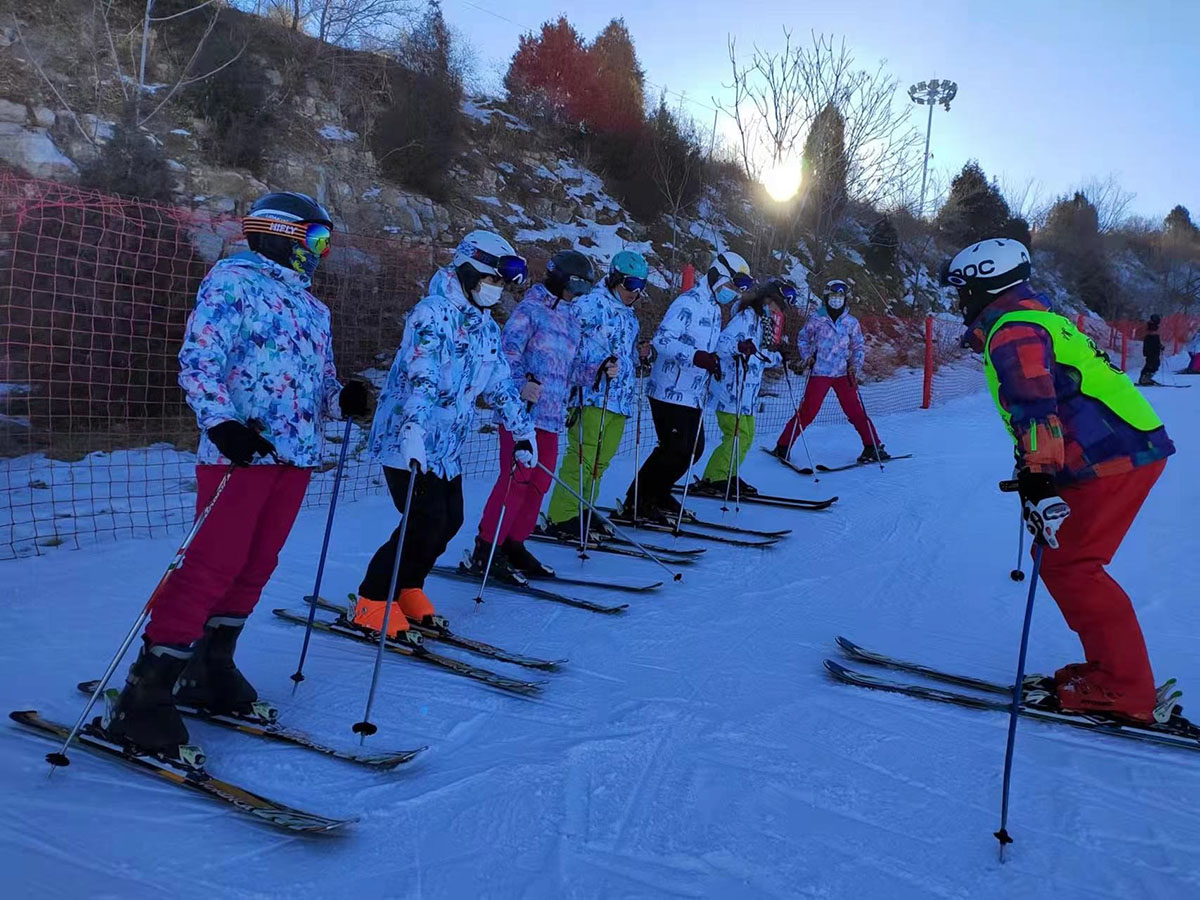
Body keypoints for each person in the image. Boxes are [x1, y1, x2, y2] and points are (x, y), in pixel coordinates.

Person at [104, 191, 369, 757]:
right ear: (279, 233)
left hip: (294, 455)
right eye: (316, 238)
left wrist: (340, 398)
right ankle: (145, 693)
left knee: (257, 563)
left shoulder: (313, 309)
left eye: (325, 241)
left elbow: (321, 382)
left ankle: (210, 666)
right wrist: (221, 422)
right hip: (241, 453)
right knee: (211, 564)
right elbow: (199, 360)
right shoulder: (232, 282)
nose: (321, 251)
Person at [945, 237, 1176, 723]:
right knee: (1062, 561)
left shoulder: (1014, 330)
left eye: (962, 289)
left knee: (1072, 566)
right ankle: (1112, 672)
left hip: (1112, 455)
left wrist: (1040, 477)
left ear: (985, 286)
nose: (959, 300)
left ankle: (1125, 688)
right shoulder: (1036, 320)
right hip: (1118, 449)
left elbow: (1036, 408)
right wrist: (1037, 472)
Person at [356, 230, 537, 638]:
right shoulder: (431, 314)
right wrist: (413, 430)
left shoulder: (486, 328)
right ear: (469, 272)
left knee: (450, 520)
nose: (497, 289)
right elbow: (421, 377)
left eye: (501, 283)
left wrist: (523, 432)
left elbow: (500, 385)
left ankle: (408, 587)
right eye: (492, 279)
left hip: (447, 445)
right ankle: (372, 599)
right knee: (424, 520)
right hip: (407, 438)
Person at [467, 249, 601, 581]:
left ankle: (515, 543)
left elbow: (572, 370)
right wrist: (521, 383)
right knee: (516, 480)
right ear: (559, 279)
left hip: (552, 416)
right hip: (521, 413)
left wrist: (598, 370)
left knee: (540, 483)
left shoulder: (571, 319)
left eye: (584, 289)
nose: (578, 294)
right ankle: (487, 547)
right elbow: (505, 356)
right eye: (576, 286)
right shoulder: (530, 311)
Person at [620, 251, 752, 523]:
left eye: (736, 290)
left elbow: (712, 346)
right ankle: (639, 500)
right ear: (717, 276)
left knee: (693, 450)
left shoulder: (714, 308)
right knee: (673, 449)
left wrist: (728, 352)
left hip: (693, 393)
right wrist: (696, 356)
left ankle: (660, 493)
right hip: (668, 389)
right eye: (730, 285)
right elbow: (662, 340)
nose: (732, 293)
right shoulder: (688, 302)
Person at [543, 251, 652, 540]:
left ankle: (583, 507)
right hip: (591, 395)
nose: (636, 292)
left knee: (600, 461)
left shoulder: (629, 316)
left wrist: (641, 355)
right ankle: (562, 514)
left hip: (620, 399)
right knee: (583, 457)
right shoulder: (589, 304)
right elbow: (566, 345)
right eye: (631, 284)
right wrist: (596, 367)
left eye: (641, 285)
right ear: (615, 278)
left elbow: (624, 355)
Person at [771, 279, 888, 464]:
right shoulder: (816, 320)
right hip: (820, 372)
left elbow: (858, 346)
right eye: (833, 296)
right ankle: (783, 446)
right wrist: (807, 356)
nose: (836, 300)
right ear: (826, 297)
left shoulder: (850, 322)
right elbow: (803, 339)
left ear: (845, 299)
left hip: (843, 373)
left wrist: (855, 365)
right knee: (808, 411)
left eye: (840, 296)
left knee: (856, 411)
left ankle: (872, 446)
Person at [693, 279, 791, 496]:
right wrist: (739, 347)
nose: (777, 311)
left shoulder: (761, 321)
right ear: (767, 299)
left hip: (747, 391)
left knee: (747, 435)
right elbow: (721, 345)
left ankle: (729, 472)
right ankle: (715, 477)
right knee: (737, 434)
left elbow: (758, 355)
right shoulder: (745, 317)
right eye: (776, 305)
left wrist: (778, 356)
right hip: (731, 388)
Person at [1138, 314, 1163, 386]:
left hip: (1153, 348)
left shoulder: (1153, 326)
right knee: (1152, 363)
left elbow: (1155, 338)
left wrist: (1159, 345)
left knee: (1154, 363)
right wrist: (1157, 345)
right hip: (1151, 348)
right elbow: (1151, 336)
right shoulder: (1150, 326)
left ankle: (1146, 377)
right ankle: (1144, 378)